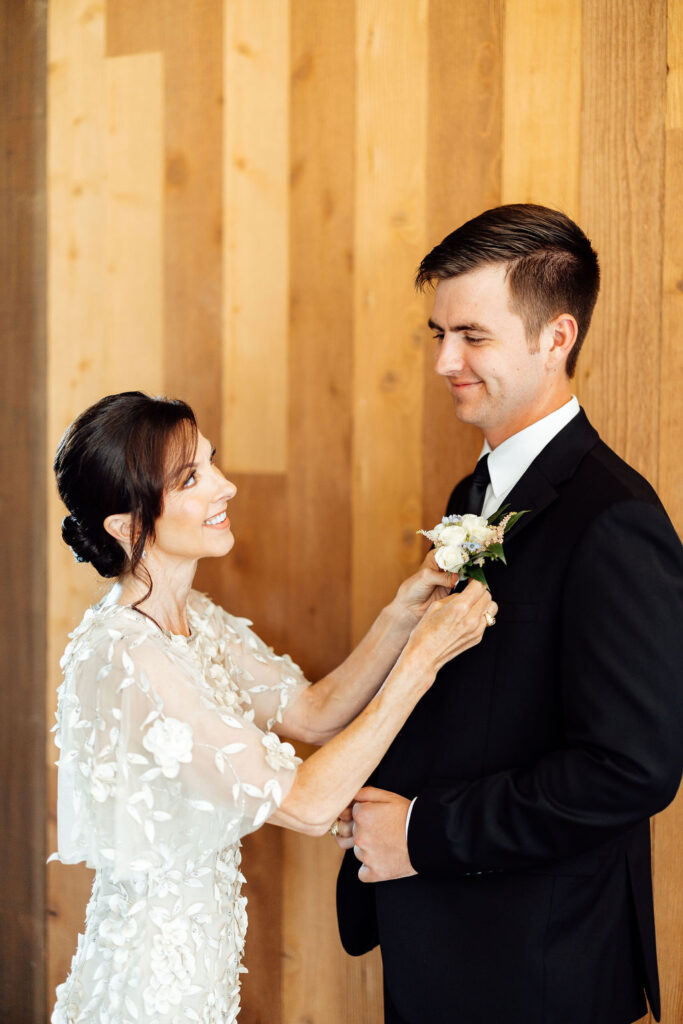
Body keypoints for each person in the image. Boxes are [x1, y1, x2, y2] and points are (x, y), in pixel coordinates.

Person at [335, 204, 683, 1024]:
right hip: (447, 941)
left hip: (533, 961)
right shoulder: (474, 495)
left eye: (472, 336)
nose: (443, 360)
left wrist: (421, 832)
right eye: (436, 333)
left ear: (555, 337)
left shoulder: (613, 520)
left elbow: (629, 769)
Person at [49, 390, 497, 1024]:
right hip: (153, 988)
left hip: (202, 972)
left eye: (212, 462)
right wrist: (422, 662)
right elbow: (310, 805)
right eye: (192, 478)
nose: (225, 486)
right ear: (128, 527)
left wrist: (401, 618)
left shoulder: (195, 622)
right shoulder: (129, 657)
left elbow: (313, 711)